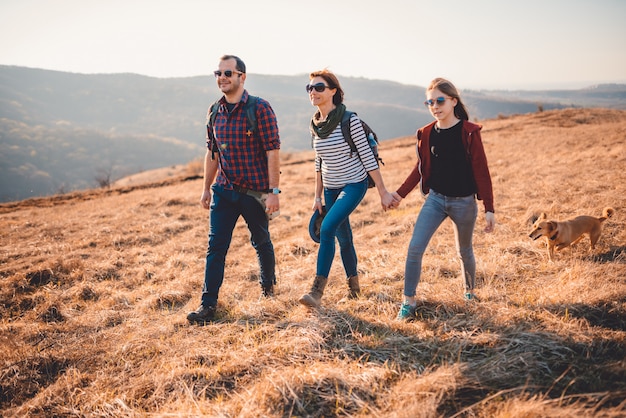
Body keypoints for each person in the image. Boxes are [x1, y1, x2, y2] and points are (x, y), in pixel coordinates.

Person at [390, 77, 496, 320]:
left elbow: (482, 170)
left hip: (464, 202)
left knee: (465, 250)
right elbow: (420, 168)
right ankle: (408, 301)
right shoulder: (427, 134)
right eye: (429, 102)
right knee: (415, 249)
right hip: (436, 200)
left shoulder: (468, 132)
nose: (435, 106)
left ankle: (469, 292)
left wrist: (489, 208)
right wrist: (399, 195)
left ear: (453, 101)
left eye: (440, 100)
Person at [187, 55, 281, 324]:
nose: (222, 77)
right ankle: (208, 306)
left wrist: (274, 192)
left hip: (254, 192)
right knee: (215, 247)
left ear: (242, 76)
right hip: (224, 191)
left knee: (261, 241)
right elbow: (212, 152)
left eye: (228, 72)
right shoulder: (214, 111)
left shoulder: (260, 109)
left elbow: (273, 151)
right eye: (218, 72)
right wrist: (206, 188)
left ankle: (268, 290)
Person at [299, 69, 396, 308]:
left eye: (319, 87)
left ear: (333, 91)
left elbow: (367, 157)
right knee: (344, 238)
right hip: (330, 189)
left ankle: (316, 292)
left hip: (354, 184)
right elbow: (319, 161)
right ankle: (354, 289)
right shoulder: (315, 124)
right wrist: (317, 195)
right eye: (310, 88)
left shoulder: (349, 120)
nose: (313, 92)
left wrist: (383, 191)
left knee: (329, 228)